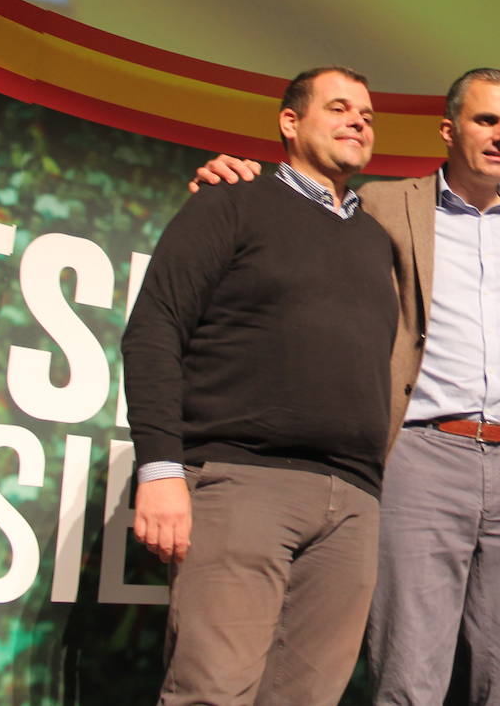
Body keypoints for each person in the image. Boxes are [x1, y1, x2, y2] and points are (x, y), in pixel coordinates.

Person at [194, 67, 500, 705]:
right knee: (410, 671)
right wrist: (223, 178)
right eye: (485, 120)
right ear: (449, 130)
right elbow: (305, 206)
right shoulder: (387, 203)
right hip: (423, 450)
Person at [123, 66, 397, 705]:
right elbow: (155, 329)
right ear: (290, 123)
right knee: (211, 693)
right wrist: (159, 468)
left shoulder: (377, 242)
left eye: (367, 113)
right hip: (241, 485)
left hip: (353, 505)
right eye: (339, 107)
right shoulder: (231, 198)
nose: (359, 120)